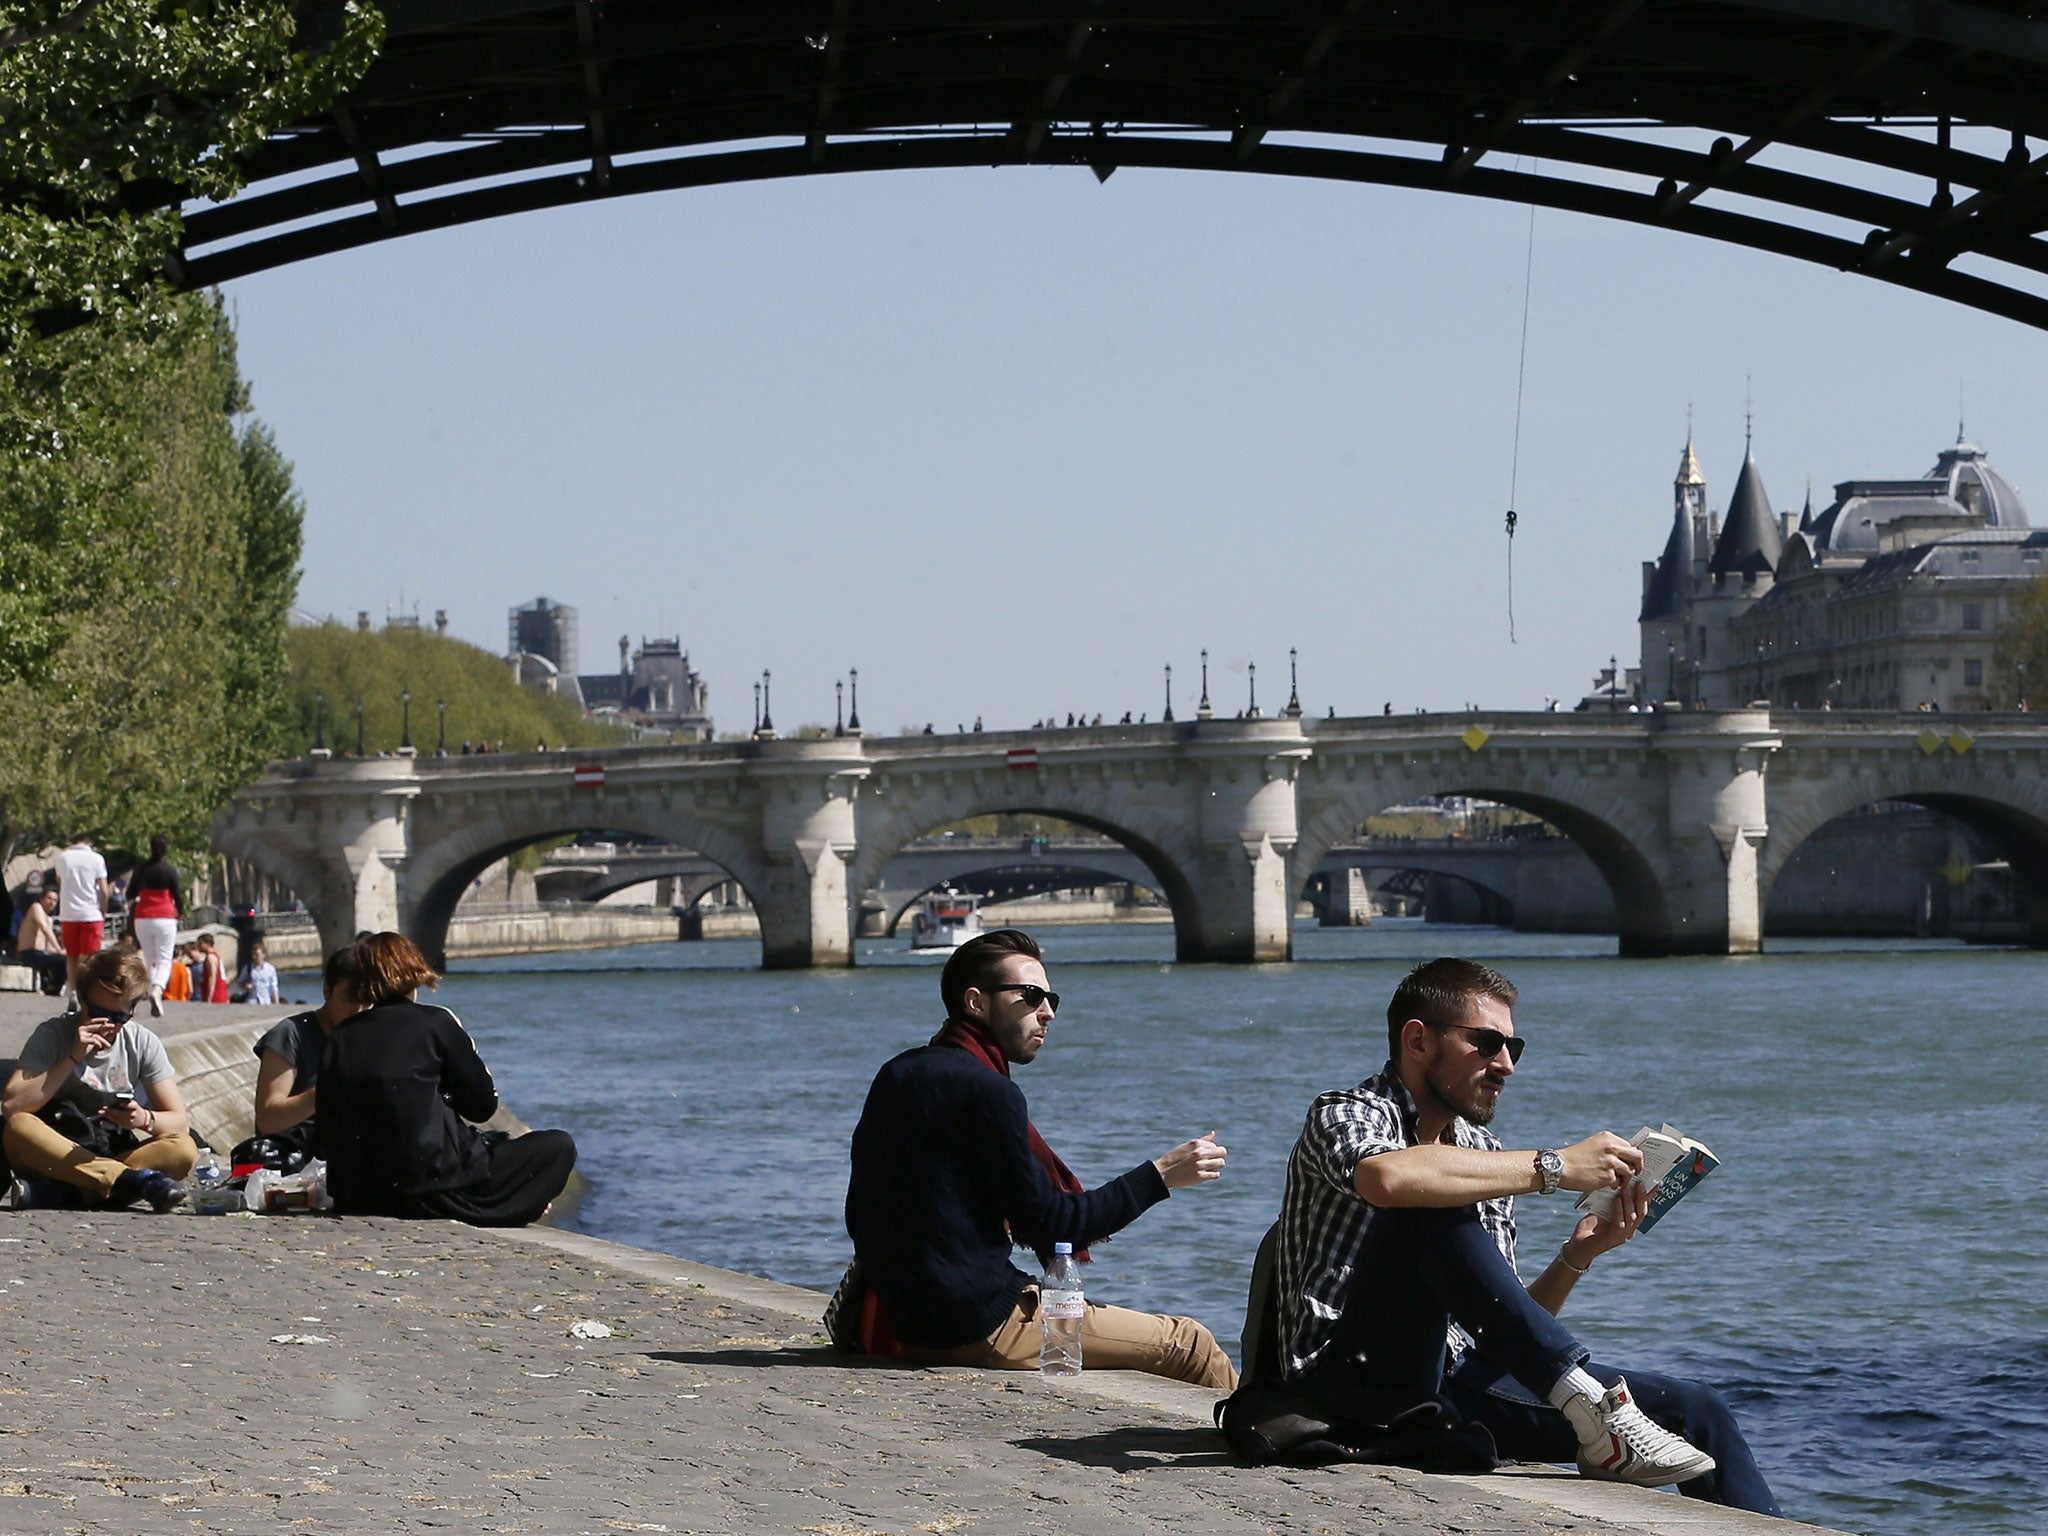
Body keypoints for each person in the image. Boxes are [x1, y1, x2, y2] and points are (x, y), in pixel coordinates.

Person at [1274, 957, 1778, 1513]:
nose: (1507, 1065)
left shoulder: (1484, 1155)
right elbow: (1387, 1177)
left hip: (1450, 1385)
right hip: (1343, 1381)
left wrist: (1577, 1255)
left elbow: (1500, 1329)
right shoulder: (1343, 1114)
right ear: (1417, 1041)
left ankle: (1597, 1417)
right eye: (1487, 1043)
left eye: (1515, 1048)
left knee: (1697, 1411)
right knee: (1431, 1193)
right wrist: (1555, 1167)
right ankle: (1592, 1410)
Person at [845, 928, 1237, 1389]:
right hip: (972, 1325)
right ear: (976, 1002)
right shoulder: (989, 1092)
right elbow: (1054, 1225)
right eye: (1030, 997)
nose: (1047, 1012)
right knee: (1190, 1344)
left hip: (897, 1321)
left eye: (1051, 997)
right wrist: (1161, 1175)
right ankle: (1263, 1437)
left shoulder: (898, 1073)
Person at [315, 932, 575, 1226]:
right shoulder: (435, 1023)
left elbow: (325, 1133)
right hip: (432, 1188)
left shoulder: (341, 1037)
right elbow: (482, 1107)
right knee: (558, 1145)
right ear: (414, 975)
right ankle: (521, 1206)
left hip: (359, 1195)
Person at [0, 948, 197, 1210]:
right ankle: (131, 1182)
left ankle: (71, 1193)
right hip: (56, 1155)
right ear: (82, 999)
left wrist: (145, 1119)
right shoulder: (53, 1034)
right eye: (99, 1014)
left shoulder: (142, 1042)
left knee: (183, 1149)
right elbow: (12, 1106)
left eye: (119, 1018)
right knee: (18, 1128)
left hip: (110, 1150)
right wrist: (72, 1057)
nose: (109, 1026)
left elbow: (180, 1122)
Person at [252, 946, 362, 1148]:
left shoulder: (372, 1036)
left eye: (367, 999)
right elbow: (267, 1120)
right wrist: (329, 1090)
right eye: (349, 998)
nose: (358, 1010)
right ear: (326, 990)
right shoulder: (290, 1035)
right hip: (299, 1153)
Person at [125, 835, 184, 1016]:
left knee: (150, 959)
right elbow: (178, 896)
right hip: (165, 917)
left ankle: (147, 990)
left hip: (142, 917)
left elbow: (129, 893)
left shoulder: (140, 870)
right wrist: (179, 911)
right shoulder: (169, 871)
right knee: (165, 958)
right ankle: (156, 990)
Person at [52, 833, 109, 1001]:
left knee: (72, 955)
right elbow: (104, 890)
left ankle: (73, 990)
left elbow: (59, 880)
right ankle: (87, 992)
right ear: (89, 842)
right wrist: (103, 911)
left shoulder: (63, 858)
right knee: (89, 957)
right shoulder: (97, 859)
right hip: (91, 913)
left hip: (68, 913)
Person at [12, 886, 67, 996]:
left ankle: (52, 988)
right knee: (62, 959)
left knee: (67, 960)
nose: (52, 902)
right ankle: (51, 986)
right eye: (49, 898)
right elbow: (45, 929)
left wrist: (62, 952)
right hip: (28, 953)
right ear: (41, 899)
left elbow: (47, 944)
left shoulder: (49, 918)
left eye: (55, 900)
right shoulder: (36, 907)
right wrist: (59, 950)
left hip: (41, 954)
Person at [238, 940, 280, 1006]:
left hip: (265, 1002)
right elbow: (240, 983)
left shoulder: (270, 969)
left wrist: (277, 1003)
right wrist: (245, 986)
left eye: (257, 955)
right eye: (254, 955)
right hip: (251, 1002)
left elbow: (274, 988)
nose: (255, 957)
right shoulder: (248, 968)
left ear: (263, 955)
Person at [193, 932, 229, 1003]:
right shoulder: (216, 956)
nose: (198, 946)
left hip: (215, 994)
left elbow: (212, 977)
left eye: (200, 944)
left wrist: (209, 997)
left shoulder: (211, 957)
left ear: (208, 944)